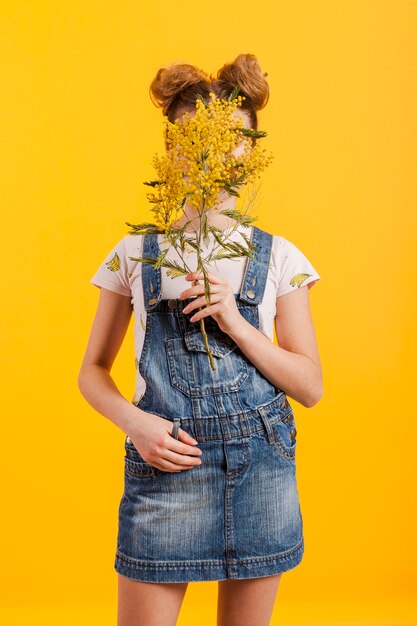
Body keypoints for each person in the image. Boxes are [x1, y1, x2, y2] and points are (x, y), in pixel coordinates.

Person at [78, 53, 323, 626]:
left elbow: (310, 388)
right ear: (171, 150)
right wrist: (136, 424)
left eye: (237, 138)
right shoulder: (136, 253)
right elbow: (91, 369)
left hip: (261, 471)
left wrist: (234, 321)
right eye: (195, 136)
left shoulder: (280, 256)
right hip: (167, 469)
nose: (217, 151)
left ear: (253, 151)